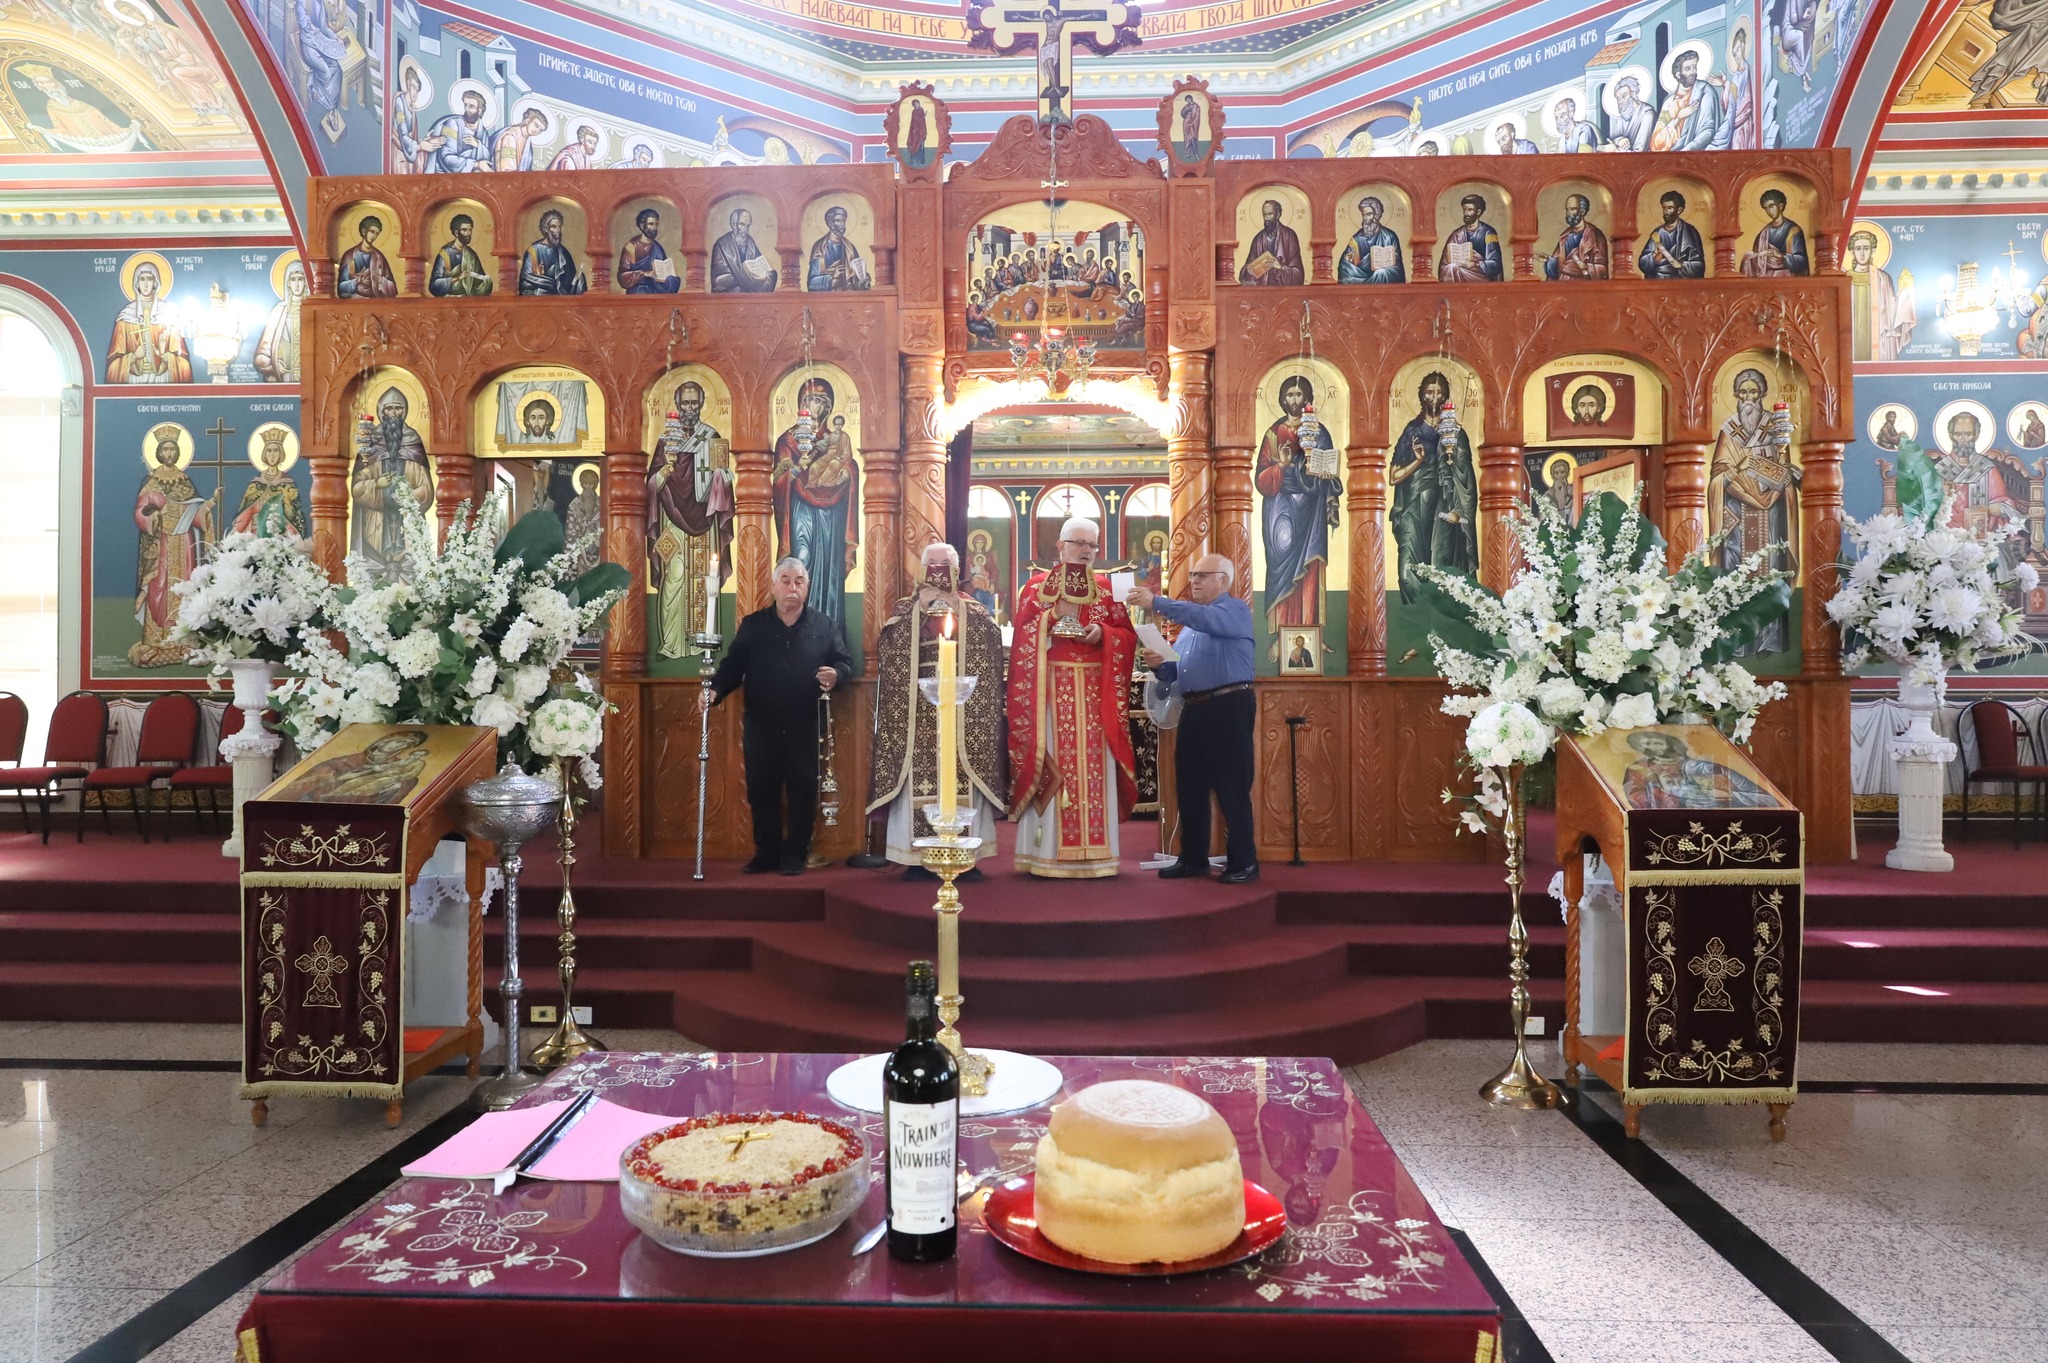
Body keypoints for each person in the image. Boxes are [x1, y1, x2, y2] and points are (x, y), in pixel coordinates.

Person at [1005, 516, 1138, 879]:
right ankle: (1044, 854)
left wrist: (1104, 633)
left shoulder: (1106, 588)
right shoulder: (1037, 587)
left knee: (1095, 768)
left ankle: (1097, 855)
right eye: (1079, 543)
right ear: (1061, 546)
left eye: (1092, 545)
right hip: (1050, 693)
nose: (1086, 551)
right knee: (1053, 764)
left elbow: (1127, 635)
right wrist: (1051, 616)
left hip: (1095, 691)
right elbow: (1022, 637)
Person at [705, 557, 853, 875]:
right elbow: (733, 666)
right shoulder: (754, 625)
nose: (792, 587)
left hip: (805, 723)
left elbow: (845, 662)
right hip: (761, 723)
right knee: (761, 789)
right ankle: (766, 853)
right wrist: (715, 691)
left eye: (799, 581)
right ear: (774, 586)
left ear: (807, 587)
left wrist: (836, 675)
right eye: (785, 581)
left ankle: (795, 854)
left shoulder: (825, 626)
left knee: (802, 790)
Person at [868, 544, 1006, 877]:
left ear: (957, 571)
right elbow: (888, 651)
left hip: (963, 712)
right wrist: (920, 610)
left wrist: (958, 610)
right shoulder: (906, 608)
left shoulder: (974, 609)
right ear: (922, 570)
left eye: (945, 565)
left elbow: (990, 650)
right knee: (917, 778)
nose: (938, 571)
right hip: (916, 714)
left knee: (962, 777)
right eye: (932, 564)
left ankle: (965, 857)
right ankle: (916, 857)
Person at [1127, 555, 1258, 885]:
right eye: (1193, 575)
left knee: (1232, 787)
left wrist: (1156, 602)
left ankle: (1244, 863)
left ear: (1224, 581)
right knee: (1190, 787)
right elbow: (1177, 672)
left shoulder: (1234, 610)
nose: (1194, 581)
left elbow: (1203, 617)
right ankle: (1193, 859)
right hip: (1194, 709)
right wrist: (1159, 665)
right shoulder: (1189, 629)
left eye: (1202, 575)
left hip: (1228, 705)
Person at [1709, 368, 1799, 653]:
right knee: (1735, 574)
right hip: (1736, 517)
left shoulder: (1776, 427)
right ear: (1736, 394)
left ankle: (1769, 643)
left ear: (1762, 394)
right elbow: (1717, 475)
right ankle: (1738, 645)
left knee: (1770, 573)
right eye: (1743, 392)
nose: (1748, 398)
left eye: (1754, 392)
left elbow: (1785, 472)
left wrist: (1781, 475)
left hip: (1770, 519)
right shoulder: (1729, 429)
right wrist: (1738, 469)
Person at [647, 381, 732, 658]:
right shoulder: (665, 441)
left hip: (704, 519)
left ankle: (700, 643)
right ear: (678, 404)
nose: (690, 408)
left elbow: (724, 478)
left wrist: (720, 476)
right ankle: (671, 643)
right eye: (685, 403)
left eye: (695, 402)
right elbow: (651, 483)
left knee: (704, 577)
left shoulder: (712, 436)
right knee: (674, 575)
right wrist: (664, 472)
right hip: (671, 519)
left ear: (702, 404)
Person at [1254, 374, 1340, 635]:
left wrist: (1322, 471)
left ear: (1307, 398)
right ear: (1282, 399)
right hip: (1280, 504)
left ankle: (1312, 631)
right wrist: (1282, 465)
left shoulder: (1319, 431)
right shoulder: (1273, 433)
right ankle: (1280, 632)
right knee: (1280, 554)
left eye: (1299, 394)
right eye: (1290, 395)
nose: (1294, 400)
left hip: (1311, 507)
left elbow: (1328, 468)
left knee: (1310, 566)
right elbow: (1261, 480)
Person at [128, 425, 213, 667]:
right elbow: (140, 512)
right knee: (160, 588)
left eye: (172, 449)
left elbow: (194, 513)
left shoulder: (184, 480)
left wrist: (206, 507)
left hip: (184, 544)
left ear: (177, 452)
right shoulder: (152, 481)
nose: (169, 453)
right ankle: (157, 642)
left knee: (184, 588)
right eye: (164, 449)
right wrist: (157, 515)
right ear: (158, 452)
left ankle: (185, 642)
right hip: (161, 544)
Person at [1389, 370, 1478, 599]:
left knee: (1441, 573)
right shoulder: (1412, 431)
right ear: (1421, 396)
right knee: (1406, 574)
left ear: (1446, 397)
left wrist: (1459, 511)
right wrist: (1418, 461)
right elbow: (1393, 477)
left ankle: (1438, 620)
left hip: (1443, 510)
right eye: (1429, 392)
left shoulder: (1456, 433)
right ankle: (1416, 618)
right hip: (1412, 509)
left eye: (1439, 393)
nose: (1434, 397)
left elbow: (1466, 478)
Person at [351, 386, 433, 571]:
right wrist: (376, 484)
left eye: (398, 408)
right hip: (375, 523)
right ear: (382, 411)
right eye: (389, 408)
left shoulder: (413, 441)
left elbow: (426, 490)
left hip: (409, 525)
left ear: (404, 411)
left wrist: (407, 497)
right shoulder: (369, 443)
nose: (394, 413)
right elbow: (356, 489)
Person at [1621, 731, 1777, 809]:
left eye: (1656, 741)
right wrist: (1664, 791)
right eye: (1646, 744)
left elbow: (1762, 798)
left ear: (1669, 742)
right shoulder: (1640, 768)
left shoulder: (1699, 765)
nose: (1653, 746)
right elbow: (1635, 796)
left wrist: (1717, 794)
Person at [106, 259, 191, 383]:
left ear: (155, 283)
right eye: (142, 279)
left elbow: (183, 363)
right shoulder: (125, 317)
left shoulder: (170, 316)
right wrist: (134, 356)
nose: (146, 284)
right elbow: (113, 366)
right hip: (133, 380)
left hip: (163, 378)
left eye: (149, 279)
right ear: (136, 283)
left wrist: (164, 356)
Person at [1846, 228, 1915, 362]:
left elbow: (1890, 311)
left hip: (1877, 339)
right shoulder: (1844, 278)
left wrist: (1905, 299)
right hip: (1851, 334)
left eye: (1866, 248)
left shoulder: (1883, 278)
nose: (1862, 253)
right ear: (1852, 251)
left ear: (1872, 251)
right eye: (1858, 248)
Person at [233, 426, 306, 538]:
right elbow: (244, 518)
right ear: (265, 454)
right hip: (254, 540)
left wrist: (289, 541)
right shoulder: (256, 485)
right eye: (269, 451)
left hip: (281, 538)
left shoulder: (288, 485)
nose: (272, 455)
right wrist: (232, 538)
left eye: (276, 451)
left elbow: (293, 519)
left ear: (281, 454)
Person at [1650, 49, 1723, 152]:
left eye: (1695, 67)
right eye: (1688, 68)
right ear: (1678, 74)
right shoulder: (1669, 103)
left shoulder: (1704, 92)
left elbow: (1708, 130)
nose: (1693, 72)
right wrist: (1678, 118)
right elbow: (1656, 143)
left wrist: (1684, 151)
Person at [253, 256, 306, 382]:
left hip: (309, 377)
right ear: (288, 282)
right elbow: (262, 353)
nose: (297, 284)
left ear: (305, 282)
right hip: (283, 376)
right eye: (293, 279)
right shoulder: (278, 311)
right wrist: (272, 366)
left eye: (300, 279)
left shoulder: (312, 310)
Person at [1739, 189, 1809, 277]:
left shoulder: (1794, 230)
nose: (1769, 211)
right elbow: (1757, 264)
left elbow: (1802, 261)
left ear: (1780, 206)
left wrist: (1781, 256)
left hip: (1787, 277)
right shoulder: (1763, 233)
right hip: (1766, 278)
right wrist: (1750, 258)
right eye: (1766, 208)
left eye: (1771, 206)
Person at [1638, 191, 1707, 279]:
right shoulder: (1657, 233)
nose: (1666, 212)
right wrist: (1653, 258)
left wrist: (1681, 265)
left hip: (1681, 282)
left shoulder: (1690, 232)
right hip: (1658, 281)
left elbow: (1699, 267)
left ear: (1679, 210)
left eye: (1670, 208)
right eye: (1664, 208)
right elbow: (1642, 263)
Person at [1337, 196, 1404, 284]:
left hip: (1385, 274)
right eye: (1363, 214)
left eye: (1369, 214)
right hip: (1361, 276)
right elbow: (1345, 265)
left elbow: (1398, 265)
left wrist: (1393, 257)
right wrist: (1349, 259)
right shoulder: (1356, 239)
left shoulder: (1390, 236)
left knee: (1381, 273)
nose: (1365, 218)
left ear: (1376, 215)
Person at [518, 208, 587, 295]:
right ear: (546, 229)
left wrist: (577, 280)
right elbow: (524, 282)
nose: (558, 230)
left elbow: (570, 284)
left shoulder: (564, 253)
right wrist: (550, 284)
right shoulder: (533, 250)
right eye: (553, 227)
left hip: (561, 297)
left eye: (559, 226)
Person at [1543, 194, 1610, 281]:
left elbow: (1603, 270)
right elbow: (1558, 266)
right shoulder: (1564, 237)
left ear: (1582, 211)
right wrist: (1549, 260)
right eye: (1567, 209)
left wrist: (1587, 267)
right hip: (1563, 283)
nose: (1569, 213)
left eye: (1573, 209)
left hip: (1584, 284)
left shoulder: (1595, 235)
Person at [1239, 200, 1306, 286]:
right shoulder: (1258, 239)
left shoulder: (1289, 236)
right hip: (1262, 289)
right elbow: (1245, 274)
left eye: (1270, 214)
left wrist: (1280, 267)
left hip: (1284, 289)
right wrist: (1251, 269)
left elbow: (1298, 274)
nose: (1266, 218)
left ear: (1277, 215)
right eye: (1264, 215)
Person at [711, 207, 778, 292]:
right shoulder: (722, 244)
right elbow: (718, 281)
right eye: (742, 224)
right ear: (733, 224)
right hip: (730, 289)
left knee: (772, 275)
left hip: (749, 282)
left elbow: (759, 262)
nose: (745, 229)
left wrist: (764, 274)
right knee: (738, 290)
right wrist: (744, 275)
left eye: (748, 225)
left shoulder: (749, 241)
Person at [424, 90, 493, 173]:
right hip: (445, 174)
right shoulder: (452, 124)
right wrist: (476, 164)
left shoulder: (483, 132)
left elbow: (487, 160)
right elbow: (447, 157)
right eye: (465, 105)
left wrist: (478, 145)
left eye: (471, 106)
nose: (467, 109)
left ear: (479, 111)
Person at [1438, 194, 1502, 283]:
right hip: (1460, 269)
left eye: (1470, 210)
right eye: (1464, 210)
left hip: (1480, 273)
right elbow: (1444, 264)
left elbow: (1495, 262)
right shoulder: (1457, 234)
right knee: (1451, 267)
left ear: (1478, 212)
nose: (1466, 213)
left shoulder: (1488, 232)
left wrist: (1476, 263)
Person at [805, 205, 871, 291]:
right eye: (838, 221)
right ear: (830, 223)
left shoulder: (850, 248)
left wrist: (863, 279)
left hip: (849, 295)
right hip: (827, 297)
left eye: (843, 221)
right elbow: (812, 283)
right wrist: (833, 277)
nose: (842, 224)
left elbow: (856, 278)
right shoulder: (820, 247)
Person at [616, 208, 680, 294]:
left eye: (656, 224)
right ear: (642, 226)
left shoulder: (658, 247)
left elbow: (663, 270)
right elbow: (622, 277)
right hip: (637, 293)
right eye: (651, 224)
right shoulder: (631, 247)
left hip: (656, 291)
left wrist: (670, 273)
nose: (654, 227)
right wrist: (643, 273)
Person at [428, 214, 493, 296]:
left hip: (469, 297)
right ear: (456, 233)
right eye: (464, 230)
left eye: (470, 229)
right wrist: (458, 278)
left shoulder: (471, 254)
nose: (468, 233)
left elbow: (478, 281)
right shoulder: (445, 253)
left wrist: (485, 280)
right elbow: (434, 286)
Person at [336, 217, 398, 299]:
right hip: (355, 301)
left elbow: (393, 289)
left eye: (377, 233)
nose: (374, 236)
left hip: (376, 301)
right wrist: (357, 281)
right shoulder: (350, 256)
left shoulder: (379, 257)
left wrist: (379, 278)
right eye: (372, 232)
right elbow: (341, 288)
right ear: (364, 231)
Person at [492, 106, 550, 172]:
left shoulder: (527, 143)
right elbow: (507, 168)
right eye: (536, 125)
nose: (537, 130)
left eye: (540, 130)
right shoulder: (511, 136)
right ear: (528, 121)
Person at [1607, 75, 1653, 152]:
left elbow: (1639, 152)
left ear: (1633, 94)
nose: (1620, 101)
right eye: (1618, 98)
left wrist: (1615, 150)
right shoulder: (1622, 118)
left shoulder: (1647, 115)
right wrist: (1618, 140)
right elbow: (1610, 141)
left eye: (1624, 96)